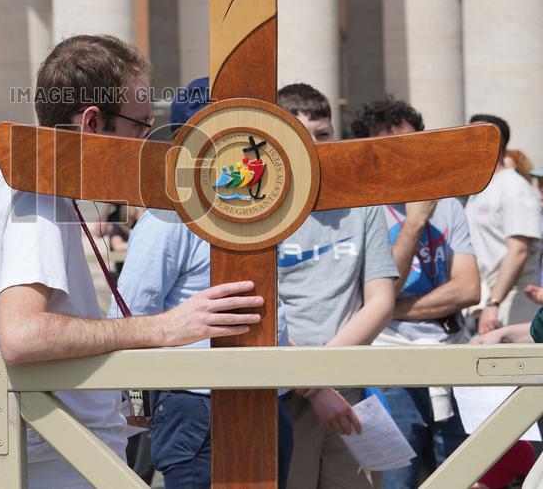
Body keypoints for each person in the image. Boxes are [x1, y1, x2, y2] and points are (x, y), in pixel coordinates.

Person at [0, 34, 264, 487]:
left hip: (56, 452)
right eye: (140, 125)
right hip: (61, 463)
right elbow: (23, 335)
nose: (146, 141)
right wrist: (164, 327)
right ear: (92, 122)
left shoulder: (18, 182)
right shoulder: (38, 191)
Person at [112, 77, 296, 488]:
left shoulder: (261, 208)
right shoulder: (167, 218)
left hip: (267, 398)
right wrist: (137, 405)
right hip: (197, 407)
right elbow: (129, 315)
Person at [351, 97, 480, 488]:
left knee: (459, 472)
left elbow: (468, 288)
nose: (404, 156)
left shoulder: (449, 205)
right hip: (390, 363)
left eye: (412, 144)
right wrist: (413, 223)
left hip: (449, 355)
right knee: (397, 477)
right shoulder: (363, 208)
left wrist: (388, 308)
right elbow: (384, 287)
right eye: (390, 148)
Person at [276, 83, 398, 489]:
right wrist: (313, 385)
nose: (314, 146)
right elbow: (261, 307)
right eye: (300, 136)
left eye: (323, 134)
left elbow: (380, 300)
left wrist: (324, 375)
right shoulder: (259, 207)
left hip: (346, 383)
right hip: (281, 386)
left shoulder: (363, 204)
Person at [466, 114, 543, 334]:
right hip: (487, 301)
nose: (465, 142)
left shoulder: (514, 187)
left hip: (512, 302)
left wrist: (494, 303)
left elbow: (519, 250)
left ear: (495, 143)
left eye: (474, 136)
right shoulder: (480, 188)